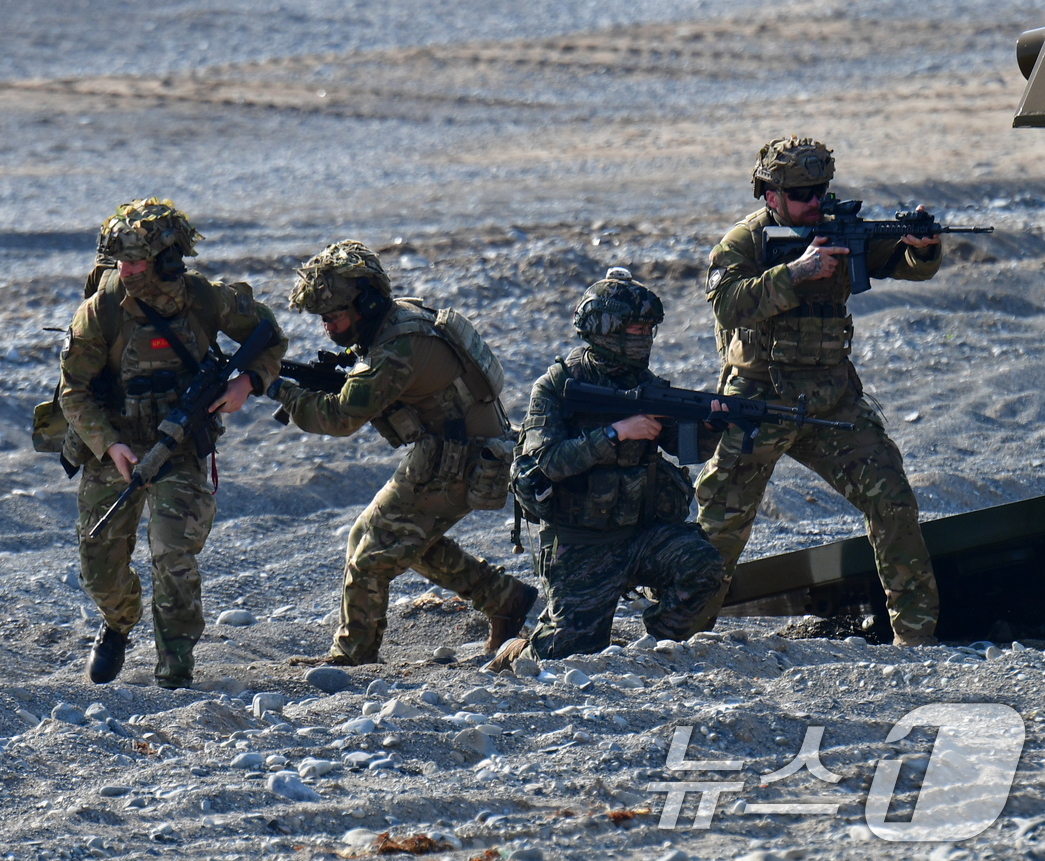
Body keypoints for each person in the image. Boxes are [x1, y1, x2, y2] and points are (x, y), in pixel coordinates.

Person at [694, 136, 943, 646]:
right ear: (770, 194)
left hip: (832, 401)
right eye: (803, 192)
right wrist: (796, 272)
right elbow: (727, 305)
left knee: (892, 499)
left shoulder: (836, 228)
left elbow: (905, 263)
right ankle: (676, 635)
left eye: (821, 190)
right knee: (720, 525)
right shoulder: (743, 242)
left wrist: (921, 247)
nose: (814, 202)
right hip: (760, 401)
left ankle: (916, 640)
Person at [269, 240, 537, 666]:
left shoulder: (397, 348)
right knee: (410, 541)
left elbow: (340, 419)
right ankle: (504, 597)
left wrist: (274, 386)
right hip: (459, 450)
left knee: (371, 549)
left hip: (460, 460)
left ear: (367, 302)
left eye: (334, 317)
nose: (328, 328)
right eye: (323, 319)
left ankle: (353, 656)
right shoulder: (399, 323)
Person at [59, 198, 286, 689]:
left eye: (138, 261)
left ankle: (175, 664)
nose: (128, 271)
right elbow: (72, 392)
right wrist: (110, 445)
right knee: (99, 565)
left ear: (168, 259)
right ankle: (119, 621)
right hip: (115, 446)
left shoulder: (205, 300)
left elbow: (270, 338)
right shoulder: (101, 310)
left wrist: (247, 384)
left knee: (172, 553)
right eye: (121, 262)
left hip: (180, 448)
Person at [490, 269, 726, 666]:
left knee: (703, 566)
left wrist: (710, 425)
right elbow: (548, 461)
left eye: (649, 329)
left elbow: (684, 448)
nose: (644, 338)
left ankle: (656, 652)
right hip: (581, 540)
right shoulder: (558, 387)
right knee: (569, 652)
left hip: (639, 534)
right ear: (606, 330)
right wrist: (616, 434)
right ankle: (514, 651)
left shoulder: (647, 384)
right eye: (635, 329)